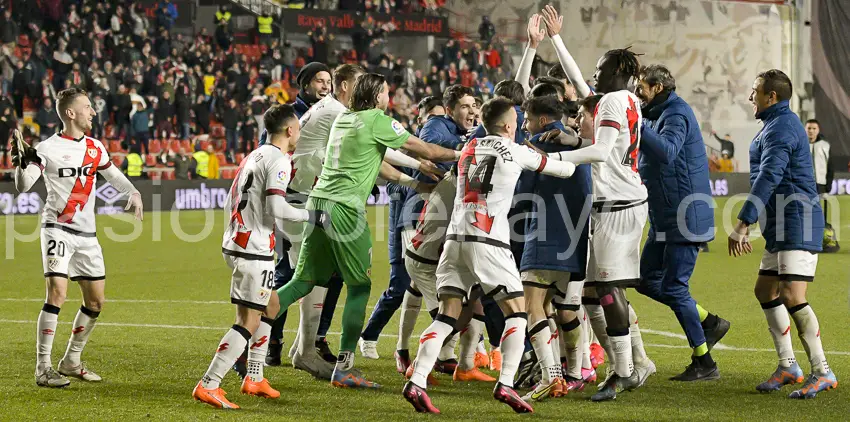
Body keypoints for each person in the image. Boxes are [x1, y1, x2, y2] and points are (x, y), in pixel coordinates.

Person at [273, 73, 462, 389]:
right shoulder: (377, 120)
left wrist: (413, 180)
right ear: (378, 96)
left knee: (301, 281)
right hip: (346, 209)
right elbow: (425, 149)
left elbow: (375, 161)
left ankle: (247, 336)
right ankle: (345, 368)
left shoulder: (345, 119)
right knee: (359, 287)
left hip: (318, 204)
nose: (389, 97)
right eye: (387, 92)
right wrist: (461, 154)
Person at [403, 97, 578, 414]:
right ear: (510, 126)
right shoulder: (516, 151)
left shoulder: (469, 147)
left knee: (447, 315)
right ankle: (507, 384)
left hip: (455, 239)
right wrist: (574, 143)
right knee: (517, 313)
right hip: (489, 241)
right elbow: (564, 170)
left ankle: (416, 381)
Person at [539, 4, 653, 401]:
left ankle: (624, 371)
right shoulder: (625, 99)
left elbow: (602, 152)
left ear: (618, 72)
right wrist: (556, 39)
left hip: (616, 205)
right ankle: (634, 363)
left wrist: (556, 157)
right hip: (622, 201)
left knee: (607, 291)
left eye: (602, 67)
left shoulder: (611, 102)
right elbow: (583, 89)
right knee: (590, 292)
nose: (594, 73)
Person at [12, 88, 143, 388]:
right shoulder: (46, 148)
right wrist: (20, 164)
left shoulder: (96, 147)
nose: (93, 113)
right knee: (56, 294)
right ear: (70, 113)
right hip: (56, 229)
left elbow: (113, 175)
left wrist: (133, 192)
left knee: (95, 302)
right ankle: (43, 368)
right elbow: (24, 185)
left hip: (87, 235)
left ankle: (71, 360)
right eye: (87, 107)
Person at [192, 104, 313, 410]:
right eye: (298, 128)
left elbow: (233, 199)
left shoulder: (255, 154)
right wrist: (310, 215)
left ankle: (255, 377)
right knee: (248, 320)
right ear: (289, 131)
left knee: (271, 305)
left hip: (241, 242)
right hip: (253, 248)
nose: (299, 132)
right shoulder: (279, 160)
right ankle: (209, 384)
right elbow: (276, 208)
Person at [728, 69, 837, 399]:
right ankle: (789, 366)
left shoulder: (783, 127)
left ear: (770, 96)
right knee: (765, 289)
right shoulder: (775, 126)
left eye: (754, 92)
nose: (751, 97)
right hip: (780, 221)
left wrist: (743, 221)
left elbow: (769, 176)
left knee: (792, 294)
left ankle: (822, 371)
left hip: (798, 219)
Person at [363, 85, 476, 368]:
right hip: (417, 217)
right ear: (448, 111)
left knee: (413, 285)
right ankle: (380, 340)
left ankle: (408, 350)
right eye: (465, 106)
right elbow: (423, 152)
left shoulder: (463, 132)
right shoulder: (438, 125)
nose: (471, 111)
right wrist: (454, 153)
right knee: (410, 285)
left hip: (432, 216)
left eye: (474, 105)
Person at [266, 64, 366, 374]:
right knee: (302, 278)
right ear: (347, 86)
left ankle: (300, 346)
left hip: (301, 199)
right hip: (299, 203)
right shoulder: (334, 112)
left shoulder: (321, 110)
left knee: (313, 275)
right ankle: (271, 344)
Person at [633, 64, 731, 381]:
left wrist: (638, 126)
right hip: (665, 216)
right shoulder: (655, 113)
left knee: (675, 288)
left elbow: (667, 151)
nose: (638, 92)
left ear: (658, 87)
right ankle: (709, 321)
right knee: (645, 280)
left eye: (642, 87)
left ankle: (705, 363)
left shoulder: (675, 113)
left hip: (685, 216)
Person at [516, 94, 593, 399]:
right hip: (578, 238)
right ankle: (577, 371)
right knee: (565, 308)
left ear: (543, 120)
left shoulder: (539, 143)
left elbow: (523, 191)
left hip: (547, 233)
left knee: (530, 304)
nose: (525, 125)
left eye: (528, 119)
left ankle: (552, 376)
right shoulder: (580, 144)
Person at [806, 119, 831, 223]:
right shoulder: (800, 145)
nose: (811, 131)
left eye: (814, 128)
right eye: (809, 128)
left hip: (820, 184)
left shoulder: (825, 145)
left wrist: (828, 186)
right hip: (805, 183)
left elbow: (830, 166)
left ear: (818, 130)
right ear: (805, 130)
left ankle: (821, 233)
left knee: (819, 212)